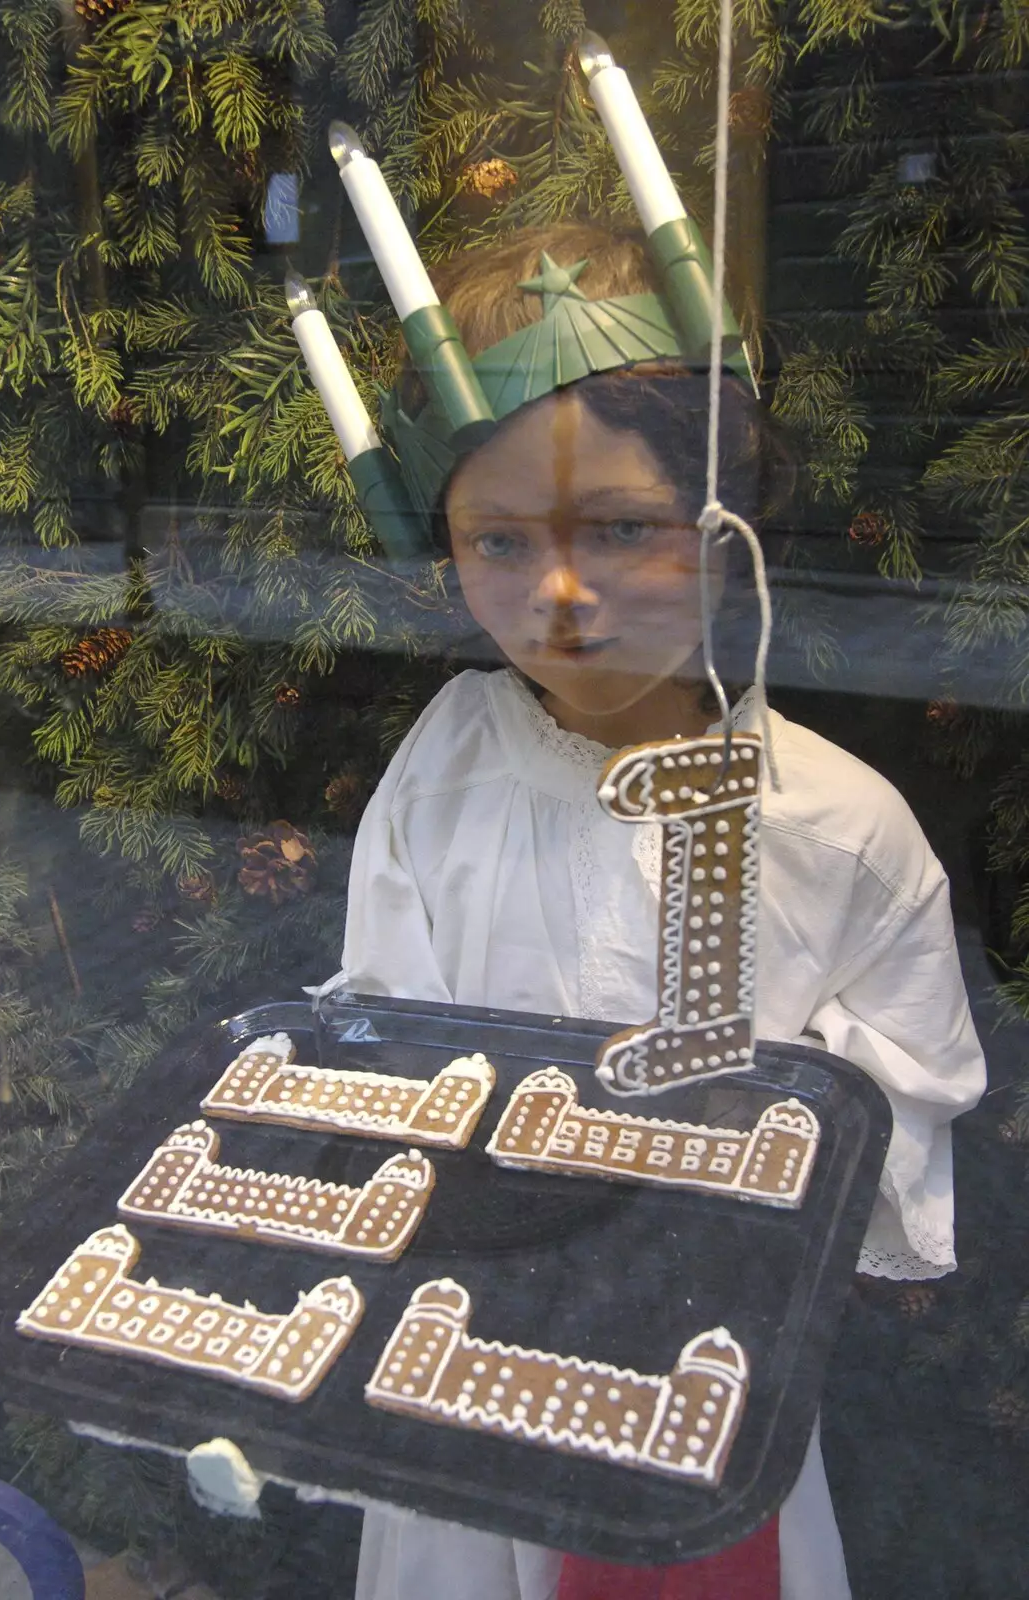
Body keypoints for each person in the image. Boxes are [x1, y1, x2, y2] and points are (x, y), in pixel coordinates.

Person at [335, 221, 986, 1600]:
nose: (556, 596)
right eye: (498, 539)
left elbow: (909, 1078)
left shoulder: (831, 824)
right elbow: (385, 1035)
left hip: (703, 1364)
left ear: (721, 521)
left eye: (619, 530)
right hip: (467, 1351)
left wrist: (736, 1157)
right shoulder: (443, 765)